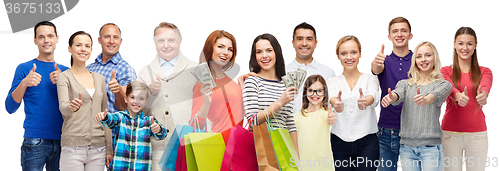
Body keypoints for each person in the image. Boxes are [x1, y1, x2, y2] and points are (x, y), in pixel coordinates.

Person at [5, 21, 69, 171]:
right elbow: (10, 107)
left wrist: (64, 81)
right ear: (35, 40)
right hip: (35, 141)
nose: (46, 40)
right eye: (41, 37)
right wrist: (25, 83)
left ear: (57, 38)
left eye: (50, 36)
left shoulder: (66, 72)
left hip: (64, 141)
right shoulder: (25, 69)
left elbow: (76, 107)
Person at [381, 41, 452, 171]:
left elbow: (436, 95)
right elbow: (398, 93)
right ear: (415, 61)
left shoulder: (443, 84)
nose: (423, 60)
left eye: (428, 55)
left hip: (431, 149)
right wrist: (392, 97)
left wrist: (426, 99)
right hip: (407, 148)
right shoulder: (405, 84)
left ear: (434, 58)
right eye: (419, 56)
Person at [137, 22, 198, 171]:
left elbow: (210, 105)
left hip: (188, 145)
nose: (166, 45)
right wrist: (150, 95)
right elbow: (137, 113)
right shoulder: (145, 72)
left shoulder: (196, 68)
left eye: (171, 40)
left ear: (180, 41)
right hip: (158, 148)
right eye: (160, 40)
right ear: (155, 42)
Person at [56, 31, 112, 170]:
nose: (83, 49)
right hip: (72, 148)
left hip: (98, 149)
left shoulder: (99, 78)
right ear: (70, 48)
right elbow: (63, 107)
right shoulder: (64, 77)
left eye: (87, 46)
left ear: (91, 50)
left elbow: (106, 115)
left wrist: (109, 148)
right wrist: (71, 106)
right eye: (78, 45)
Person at [441, 27, 493, 171]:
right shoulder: (445, 71)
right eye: (461, 43)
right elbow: (449, 87)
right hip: (450, 135)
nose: (465, 48)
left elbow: (485, 85)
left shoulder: (485, 71)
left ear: (475, 45)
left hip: (477, 136)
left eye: (469, 43)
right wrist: (458, 96)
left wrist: (484, 95)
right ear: (454, 45)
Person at [86, 23, 137, 167]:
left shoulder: (126, 69)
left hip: (116, 136)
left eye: (115, 37)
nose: (111, 41)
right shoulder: (90, 68)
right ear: (99, 40)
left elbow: (129, 108)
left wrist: (119, 91)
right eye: (107, 36)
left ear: (121, 41)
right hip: (91, 135)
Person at [328, 36, 380, 171]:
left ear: (360, 54)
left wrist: (366, 102)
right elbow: (331, 97)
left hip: (367, 141)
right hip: (339, 141)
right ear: (338, 56)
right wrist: (335, 103)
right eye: (343, 53)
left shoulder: (370, 79)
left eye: (353, 52)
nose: (349, 57)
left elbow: (373, 95)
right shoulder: (332, 81)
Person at [242, 33, 298, 152]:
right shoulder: (252, 81)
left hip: (284, 149)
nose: (264, 56)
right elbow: (253, 122)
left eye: (269, 50)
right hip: (261, 150)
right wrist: (280, 102)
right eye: (259, 52)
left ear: (276, 52)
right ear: (254, 56)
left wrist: (296, 159)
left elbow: (290, 124)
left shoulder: (285, 83)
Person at [371, 17, 413, 171]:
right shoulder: (383, 61)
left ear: (410, 35)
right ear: (389, 37)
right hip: (386, 131)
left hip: (413, 131)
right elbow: (376, 69)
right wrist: (375, 63)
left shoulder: (419, 61)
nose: (399, 34)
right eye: (395, 31)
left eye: (404, 30)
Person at [95, 81, 167, 171]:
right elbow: (111, 120)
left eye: (141, 98)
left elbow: (162, 134)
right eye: (133, 97)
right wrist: (104, 117)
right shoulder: (120, 117)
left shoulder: (149, 121)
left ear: (146, 102)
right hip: (119, 168)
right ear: (126, 99)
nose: (136, 101)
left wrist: (159, 129)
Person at [190, 30, 244, 132]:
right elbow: (194, 127)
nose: (226, 52)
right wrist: (206, 102)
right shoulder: (202, 86)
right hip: (217, 145)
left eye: (230, 49)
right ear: (210, 48)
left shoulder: (235, 85)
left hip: (238, 144)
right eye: (220, 47)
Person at [286, 22, 336, 115]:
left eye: (309, 39)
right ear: (293, 43)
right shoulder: (282, 72)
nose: (304, 43)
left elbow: (332, 107)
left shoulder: (328, 73)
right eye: (299, 39)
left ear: (315, 43)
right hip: (287, 129)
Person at [293, 75, 336, 171]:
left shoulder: (326, 115)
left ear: (325, 93)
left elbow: (331, 120)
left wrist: (332, 118)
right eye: (310, 90)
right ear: (305, 93)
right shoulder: (296, 118)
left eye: (319, 91)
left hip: (324, 167)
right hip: (303, 167)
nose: (315, 94)